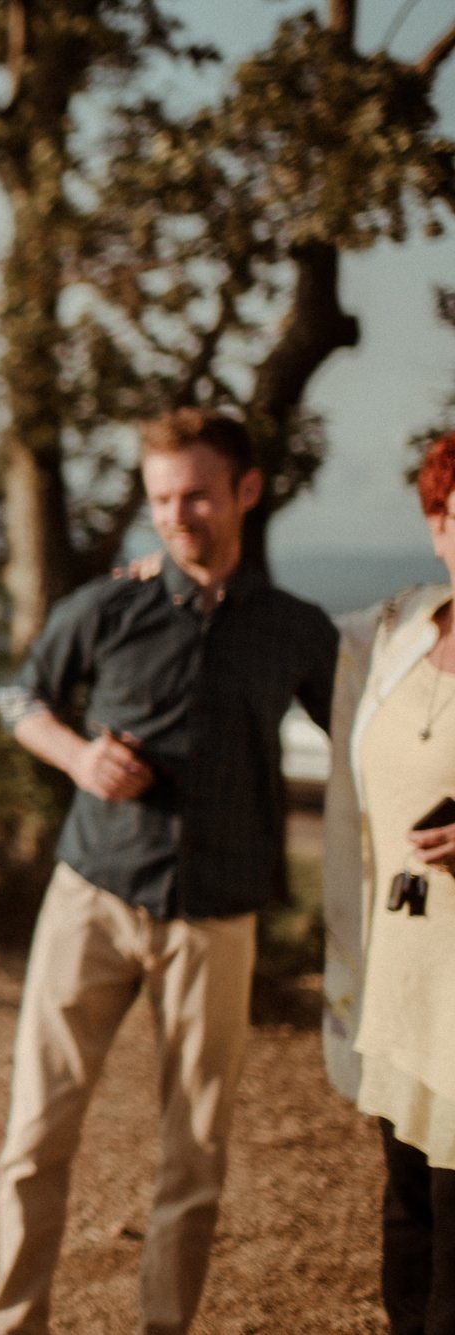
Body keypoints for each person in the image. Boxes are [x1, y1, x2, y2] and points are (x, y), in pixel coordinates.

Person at [0, 408, 339, 1335]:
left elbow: (371, 732)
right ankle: (10, 1325)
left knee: (195, 1161)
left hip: (217, 917)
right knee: (32, 1141)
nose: (178, 516)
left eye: (196, 496)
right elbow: (18, 695)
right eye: (162, 499)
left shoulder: (297, 631)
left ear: (247, 493)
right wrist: (77, 758)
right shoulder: (107, 606)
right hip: (91, 896)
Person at [322, 429, 455, 1335]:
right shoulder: (405, 627)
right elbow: (282, 641)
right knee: (407, 1208)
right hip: (406, 970)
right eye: (448, 514)